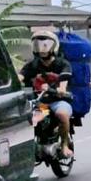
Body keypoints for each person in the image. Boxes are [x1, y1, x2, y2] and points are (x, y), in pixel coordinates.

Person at [20, 28, 74, 158]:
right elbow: (19, 78)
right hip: (41, 104)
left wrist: (59, 90)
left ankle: (64, 145)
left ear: (54, 46)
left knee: (62, 114)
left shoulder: (62, 64)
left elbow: (63, 86)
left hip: (58, 100)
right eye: (38, 44)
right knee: (30, 121)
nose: (42, 48)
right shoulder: (32, 66)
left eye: (46, 44)